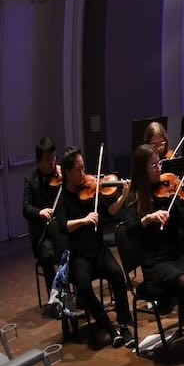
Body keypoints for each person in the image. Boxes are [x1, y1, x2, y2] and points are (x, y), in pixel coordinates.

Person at [120, 144, 184, 363]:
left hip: (174, 255)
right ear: (141, 169)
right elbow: (128, 230)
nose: (159, 168)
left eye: (159, 163)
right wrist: (147, 219)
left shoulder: (167, 191)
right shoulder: (134, 198)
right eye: (154, 165)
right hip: (153, 263)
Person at [52, 147, 133, 347]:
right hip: (79, 255)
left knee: (117, 275)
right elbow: (63, 226)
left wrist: (123, 195)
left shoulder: (91, 189)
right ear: (68, 173)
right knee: (83, 286)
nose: (84, 174)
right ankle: (107, 325)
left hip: (98, 249)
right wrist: (84, 219)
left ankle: (123, 324)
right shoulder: (63, 198)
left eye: (84, 168)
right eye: (78, 170)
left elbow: (111, 211)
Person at [23, 139, 63, 283]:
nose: (53, 163)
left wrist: (65, 178)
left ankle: (80, 293)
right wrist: (40, 212)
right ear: (38, 161)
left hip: (62, 228)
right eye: (48, 160)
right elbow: (26, 208)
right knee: (47, 254)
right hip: (43, 236)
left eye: (54, 158)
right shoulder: (30, 180)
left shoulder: (61, 176)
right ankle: (56, 298)